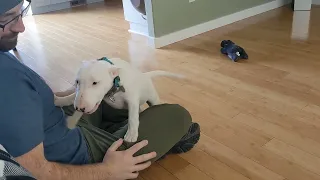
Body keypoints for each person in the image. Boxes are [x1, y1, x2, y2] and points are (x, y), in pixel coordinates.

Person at [0, 0, 200, 180]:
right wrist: (107, 171)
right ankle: (160, 137)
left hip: (61, 124)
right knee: (177, 115)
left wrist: (79, 88)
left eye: (21, 13)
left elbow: (34, 100)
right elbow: (37, 171)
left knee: (109, 91)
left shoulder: (5, 58)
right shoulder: (6, 82)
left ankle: (116, 129)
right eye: (8, 19)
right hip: (79, 157)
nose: (21, 26)